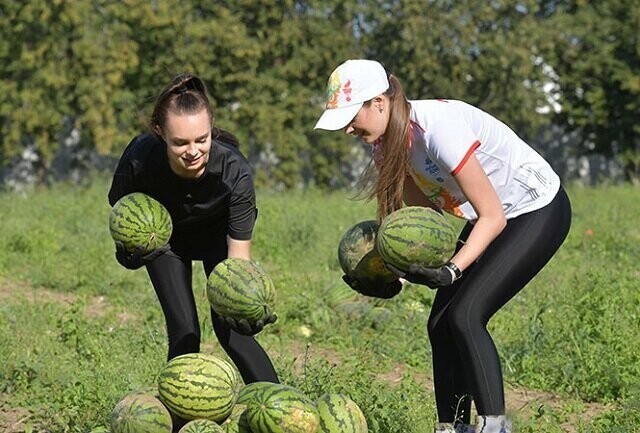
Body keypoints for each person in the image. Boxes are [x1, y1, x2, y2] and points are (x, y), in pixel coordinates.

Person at [314, 59, 571, 433]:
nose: (348, 128)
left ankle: (495, 426)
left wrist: (452, 270)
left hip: (536, 208)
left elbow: (493, 217)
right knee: (440, 323)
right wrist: (392, 276)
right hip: (490, 218)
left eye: (352, 116)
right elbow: (420, 222)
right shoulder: (385, 146)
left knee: (466, 314)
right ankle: (451, 427)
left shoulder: (438, 129)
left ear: (380, 103)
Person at [108, 73, 279, 385]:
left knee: (233, 334)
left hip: (217, 239)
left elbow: (238, 259)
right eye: (180, 142)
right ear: (160, 132)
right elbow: (123, 214)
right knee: (185, 330)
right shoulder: (139, 160)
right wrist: (129, 249)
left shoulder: (234, 172)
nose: (193, 151)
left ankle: (279, 409)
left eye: (202, 139)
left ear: (211, 126)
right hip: (165, 242)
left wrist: (242, 302)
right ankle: (179, 420)